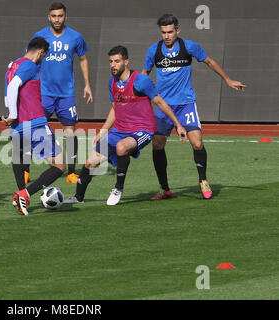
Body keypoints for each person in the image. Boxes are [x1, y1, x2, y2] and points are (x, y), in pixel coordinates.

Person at [64, 45, 187, 205]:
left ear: (126, 62)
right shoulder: (112, 83)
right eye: (110, 62)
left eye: (117, 61)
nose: (113, 65)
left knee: (122, 147)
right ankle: (78, 197)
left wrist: (178, 125)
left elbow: (159, 102)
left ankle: (118, 188)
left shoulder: (141, 81)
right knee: (90, 162)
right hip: (119, 130)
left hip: (142, 130)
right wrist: (103, 131)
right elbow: (115, 108)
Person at [142, 14, 246, 200]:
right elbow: (143, 75)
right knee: (157, 144)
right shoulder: (153, 50)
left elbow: (210, 61)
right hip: (164, 106)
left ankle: (203, 180)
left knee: (197, 143)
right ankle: (164, 188)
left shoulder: (189, 47)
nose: (166, 36)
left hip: (185, 104)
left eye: (170, 32)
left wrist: (227, 79)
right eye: (163, 32)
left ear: (177, 30)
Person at [30, 2, 93, 184]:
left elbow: (83, 59)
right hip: (44, 93)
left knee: (70, 131)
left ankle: (72, 173)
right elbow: (29, 61)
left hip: (66, 94)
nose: (57, 19)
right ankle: (25, 169)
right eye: (54, 16)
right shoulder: (39, 36)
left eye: (60, 16)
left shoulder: (76, 37)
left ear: (65, 16)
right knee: (33, 129)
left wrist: (87, 84)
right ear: (48, 17)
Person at [2, 37, 66, 216]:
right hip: (34, 123)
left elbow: (8, 96)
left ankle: (21, 195)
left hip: (17, 126)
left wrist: (11, 116)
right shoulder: (30, 65)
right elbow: (15, 86)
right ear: (40, 52)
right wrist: (14, 114)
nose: (42, 60)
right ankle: (25, 194)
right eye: (43, 56)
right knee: (60, 166)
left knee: (18, 157)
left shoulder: (11, 66)